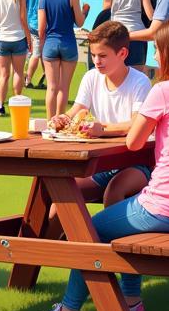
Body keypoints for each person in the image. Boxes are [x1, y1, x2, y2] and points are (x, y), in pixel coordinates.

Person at [36, 15, 169, 311]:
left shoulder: (165, 91)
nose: (156, 55)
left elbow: (134, 141)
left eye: (159, 48)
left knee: (90, 228)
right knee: (119, 221)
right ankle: (131, 301)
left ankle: (69, 310)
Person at [49, 21, 152, 206]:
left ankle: (104, 235)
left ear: (122, 54)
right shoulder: (91, 77)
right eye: (94, 55)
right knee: (60, 196)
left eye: (102, 56)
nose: (96, 61)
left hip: (136, 163)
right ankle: (52, 236)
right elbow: (78, 109)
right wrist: (63, 118)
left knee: (114, 192)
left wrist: (101, 129)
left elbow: (135, 125)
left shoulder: (140, 82)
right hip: (103, 164)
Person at [38, 0, 88, 119]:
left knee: (51, 87)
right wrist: (84, 9)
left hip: (50, 43)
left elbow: (41, 27)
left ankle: (49, 122)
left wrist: (41, 46)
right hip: (68, 42)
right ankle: (60, 121)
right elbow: (79, 22)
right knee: (64, 88)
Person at [103, 0, 154, 72]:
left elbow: (105, 9)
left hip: (116, 34)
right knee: (137, 75)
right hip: (137, 34)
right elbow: (150, 14)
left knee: (117, 73)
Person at [23, 0, 54, 90]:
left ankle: (45, 76)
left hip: (31, 20)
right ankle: (28, 79)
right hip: (44, 21)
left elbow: (25, 0)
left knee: (41, 51)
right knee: (37, 52)